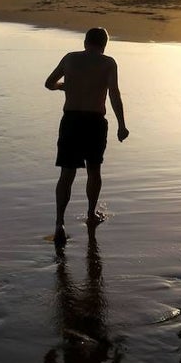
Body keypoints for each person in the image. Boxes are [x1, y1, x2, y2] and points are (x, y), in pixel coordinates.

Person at [44, 27, 129, 246]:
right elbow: (114, 94)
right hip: (94, 122)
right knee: (94, 171)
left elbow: (49, 83)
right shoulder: (108, 63)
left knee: (67, 173)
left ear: (85, 42)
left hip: (71, 120)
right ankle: (91, 215)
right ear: (104, 45)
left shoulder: (70, 58)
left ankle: (59, 223)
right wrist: (122, 124)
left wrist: (64, 86)